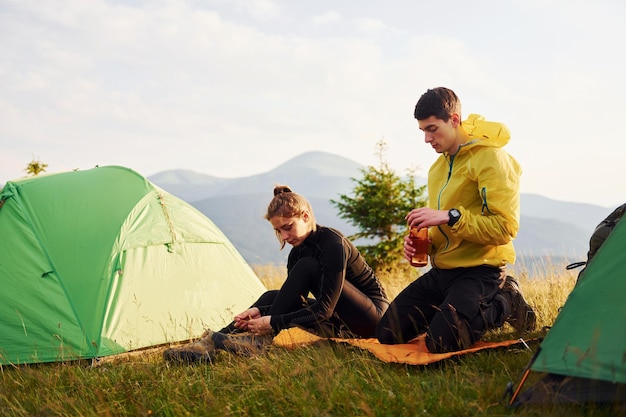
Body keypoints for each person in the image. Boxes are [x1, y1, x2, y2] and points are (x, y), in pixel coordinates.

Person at [375, 87, 536, 353]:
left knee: (440, 343)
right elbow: (444, 228)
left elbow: (505, 228)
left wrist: (450, 216)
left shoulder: (492, 159)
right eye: (423, 131)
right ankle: (454, 309)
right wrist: (423, 246)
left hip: (481, 271)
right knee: (388, 332)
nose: (427, 138)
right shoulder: (437, 168)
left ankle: (506, 300)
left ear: (454, 120)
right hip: (443, 272)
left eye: (432, 129)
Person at [164, 185, 390, 363]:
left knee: (308, 267)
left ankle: (258, 341)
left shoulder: (332, 243)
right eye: (278, 231)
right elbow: (294, 301)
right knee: (273, 295)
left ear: (305, 215)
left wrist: (271, 321)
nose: (284, 236)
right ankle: (208, 345)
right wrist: (259, 311)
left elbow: (324, 309)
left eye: (288, 227)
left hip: (373, 319)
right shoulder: (296, 254)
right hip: (339, 322)